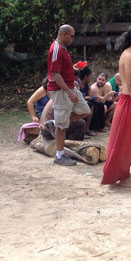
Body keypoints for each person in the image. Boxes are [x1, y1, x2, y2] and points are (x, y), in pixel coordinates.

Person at [101, 23, 131, 187]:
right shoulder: (130, 55)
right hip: (129, 102)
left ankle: (124, 170)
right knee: (125, 140)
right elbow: (130, 84)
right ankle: (122, 177)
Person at [46, 25, 92, 166]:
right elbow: (55, 74)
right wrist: (69, 92)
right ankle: (59, 156)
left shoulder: (63, 48)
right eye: (71, 36)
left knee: (85, 110)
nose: (73, 39)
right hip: (61, 90)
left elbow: (61, 70)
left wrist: (73, 68)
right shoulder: (56, 49)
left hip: (69, 87)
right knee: (62, 127)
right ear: (64, 34)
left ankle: (55, 122)